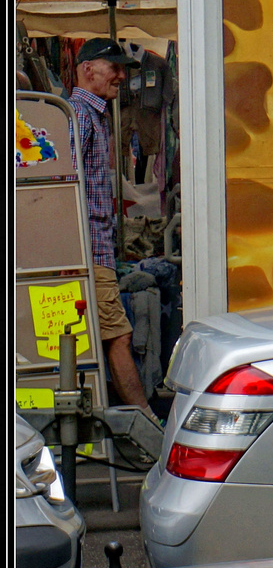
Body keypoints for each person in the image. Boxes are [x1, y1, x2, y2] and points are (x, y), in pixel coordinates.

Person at [69, 38, 157, 421]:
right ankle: (145, 423)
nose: (122, 76)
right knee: (117, 336)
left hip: (94, 248)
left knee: (97, 337)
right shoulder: (80, 115)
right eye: (114, 68)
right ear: (88, 69)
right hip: (89, 250)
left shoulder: (93, 115)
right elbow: (67, 184)